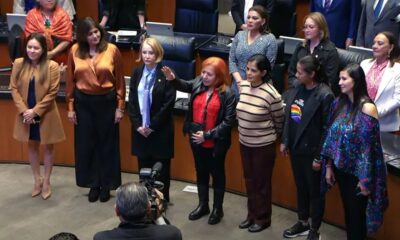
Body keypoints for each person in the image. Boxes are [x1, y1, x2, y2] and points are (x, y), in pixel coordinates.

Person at [162, 57, 236, 225]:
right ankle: (203, 205)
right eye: (203, 72)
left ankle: (218, 208)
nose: (204, 76)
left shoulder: (228, 94)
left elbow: (228, 122)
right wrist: (173, 79)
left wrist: (207, 135)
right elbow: (184, 85)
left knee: (217, 173)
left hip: (216, 142)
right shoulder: (198, 83)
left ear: (219, 76)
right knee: (200, 171)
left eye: (209, 74)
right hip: (196, 138)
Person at [321, 63, 388, 239]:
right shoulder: (338, 103)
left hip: (359, 175)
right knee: (349, 214)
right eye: (339, 78)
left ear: (356, 81)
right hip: (341, 169)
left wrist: (365, 181)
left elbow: (369, 149)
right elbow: (331, 136)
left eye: (344, 78)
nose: (339, 82)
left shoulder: (367, 107)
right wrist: (328, 166)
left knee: (358, 218)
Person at [66, 17, 125, 203]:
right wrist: (70, 107)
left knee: (107, 145)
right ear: (82, 35)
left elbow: (120, 81)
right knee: (87, 144)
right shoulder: (74, 50)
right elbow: (70, 81)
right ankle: (93, 184)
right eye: (90, 33)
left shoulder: (112, 50)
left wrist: (120, 107)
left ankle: (106, 184)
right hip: (83, 103)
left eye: (97, 31)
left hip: (106, 102)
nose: (94, 36)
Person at [281, 56, 334, 240]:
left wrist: (320, 157)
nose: (296, 74)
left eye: (301, 72)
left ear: (312, 74)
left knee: (315, 193)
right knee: (301, 187)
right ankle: (302, 222)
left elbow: (327, 129)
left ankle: (314, 230)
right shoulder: (297, 87)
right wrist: (285, 140)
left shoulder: (325, 95)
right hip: (296, 148)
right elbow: (289, 114)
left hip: (312, 153)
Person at [10, 32, 65, 200]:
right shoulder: (19, 63)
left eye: (36, 48)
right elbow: (13, 88)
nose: (32, 51)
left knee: (48, 147)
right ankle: (37, 180)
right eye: (29, 47)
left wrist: (35, 111)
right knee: (32, 145)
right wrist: (24, 110)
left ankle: (47, 181)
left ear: (43, 50)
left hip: (45, 112)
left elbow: (53, 92)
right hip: (25, 113)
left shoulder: (52, 66)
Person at [236, 54, 284, 232]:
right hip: (244, 142)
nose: (248, 73)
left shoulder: (272, 94)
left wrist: (268, 135)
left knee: (261, 183)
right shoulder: (244, 86)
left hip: (263, 146)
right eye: (247, 69)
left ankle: (263, 219)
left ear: (263, 72)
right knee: (249, 180)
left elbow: (279, 120)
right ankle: (251, 215)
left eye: (253, 70)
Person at [128, 37, 176, 203]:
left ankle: (161, 201)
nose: (147, 56)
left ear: (158, 54)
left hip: (159, 130)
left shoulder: (166, 74)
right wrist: (137, 125)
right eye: (144, 52)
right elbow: (132, 100)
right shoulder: (137, 72)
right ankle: (145, 201)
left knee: (161, 169)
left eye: (151, 53)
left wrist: (152, 126)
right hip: (140, 130)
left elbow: (168, 104)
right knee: (143, 168)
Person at [93, 182, 182, 240]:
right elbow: (167, 231)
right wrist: (158, 216)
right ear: (148, 208)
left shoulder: (101, 238)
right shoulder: (172, 234)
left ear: (117, 211)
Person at [229, 5, 277, 98]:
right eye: (248, 17)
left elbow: (268, 66)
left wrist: (247, 84)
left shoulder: (270, 39)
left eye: (254, 18)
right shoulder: (240, 35)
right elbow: (232, 60)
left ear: (263, 21)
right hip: (237, 83)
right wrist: (240, 82)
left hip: (259, 86)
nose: (250, 20)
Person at [287, 12, 339, 95]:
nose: (307, 30)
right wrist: (295, 87)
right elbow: (291, 72)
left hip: (317, 95)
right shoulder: (301, 46)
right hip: (297, 89)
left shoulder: (330, 51)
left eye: (311, 27)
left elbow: (329, 81)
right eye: (305, 27)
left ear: (321, 29)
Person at [360, 31, 400, 133]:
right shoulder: (364, 64)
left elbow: (397, 100)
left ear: (391, 47)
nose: (374, 46)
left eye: (380, 43)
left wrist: (374, 113)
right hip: (359, 120)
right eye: (374, 43)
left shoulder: (397, 70)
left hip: (384, 125)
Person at [24, 0, 73, 64]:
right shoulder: (31, 15)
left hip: (59, 59)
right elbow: (29, 38)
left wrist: (52, 53)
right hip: (36, 59)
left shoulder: (63, 15)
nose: (50, 0)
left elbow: (67, 39)